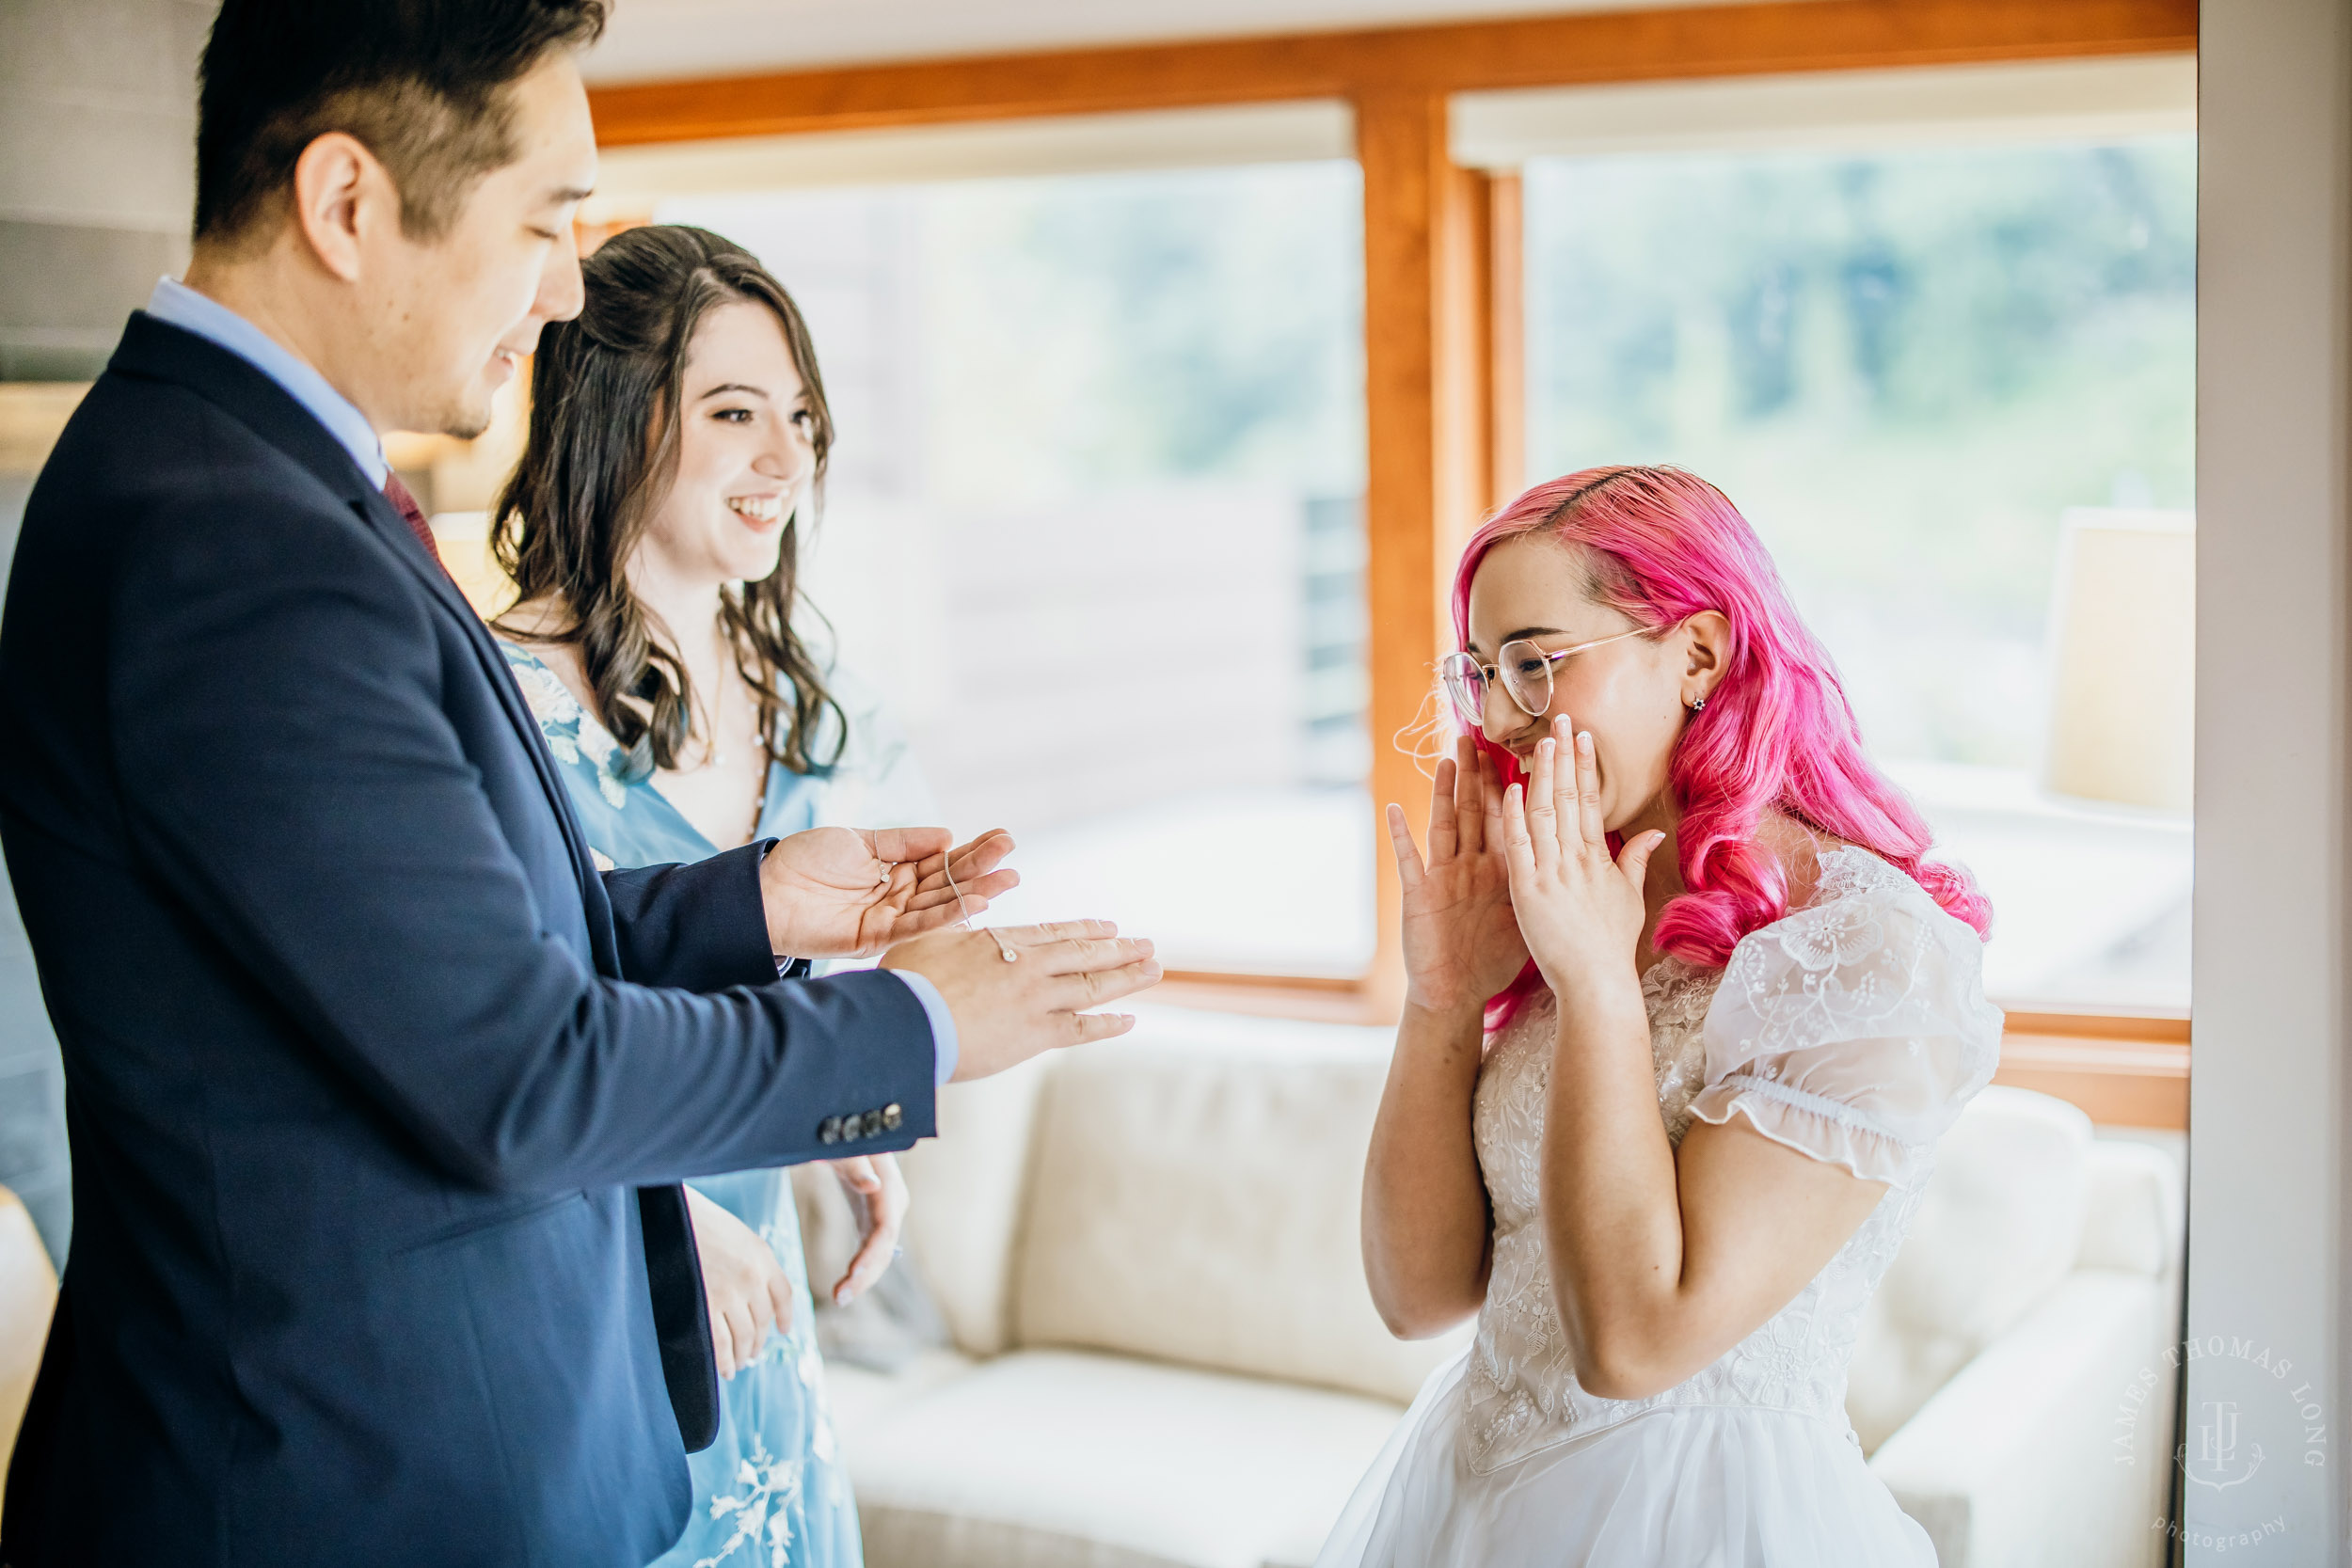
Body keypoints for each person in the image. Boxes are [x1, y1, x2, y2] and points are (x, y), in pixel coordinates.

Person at [0, 4, 1158, 1564]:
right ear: (347, 205)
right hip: (336, 1487)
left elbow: (428, 951)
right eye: (545, 222)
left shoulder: (261, 488)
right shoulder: (228, 541)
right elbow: (519, 1072)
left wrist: (747, 896)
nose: (561, 294)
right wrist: (926, 1024)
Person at [1320, 466, 2001, 1566]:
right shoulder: (1581, 892)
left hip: (1699, 1518)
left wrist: (1593, 982)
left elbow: (1637, 1342)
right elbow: (1417, 1294)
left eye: (1536, 663)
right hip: (1471, 1502)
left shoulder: (1869, 949)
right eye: (1482, 672)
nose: (1500, 715)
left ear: (1698, 654)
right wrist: (1444, 994)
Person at [489, 223, 935, 1568]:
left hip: (769, 1322)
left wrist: (828, 1107)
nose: (788, 461)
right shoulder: (497, 710)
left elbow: (776, 987)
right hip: (586, 1309)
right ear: (616, 417)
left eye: (798, 417)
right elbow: (468, 1048)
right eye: (735, 411)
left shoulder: (809, 701)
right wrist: (656, 1208)